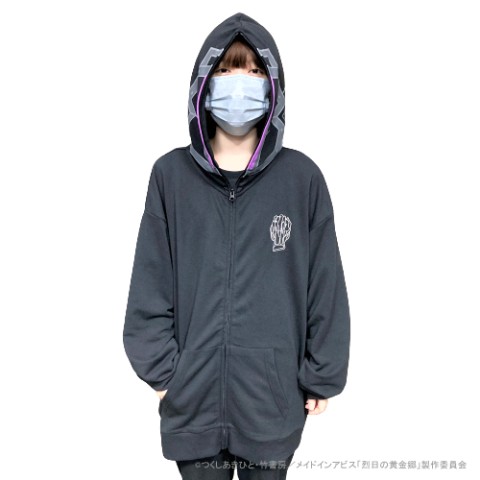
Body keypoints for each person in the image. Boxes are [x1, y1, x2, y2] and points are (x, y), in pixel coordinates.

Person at [123, 12, 351, 480]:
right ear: (203, 85)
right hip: (192, 405)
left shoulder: (301, 178)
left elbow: (324, 283)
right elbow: (150, 282)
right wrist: (166, 375)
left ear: (272, 87)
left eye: (252, 70)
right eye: (226, 69)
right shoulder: (170, 177)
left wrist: (322, 372)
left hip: (271, 404)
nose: (239, 82)